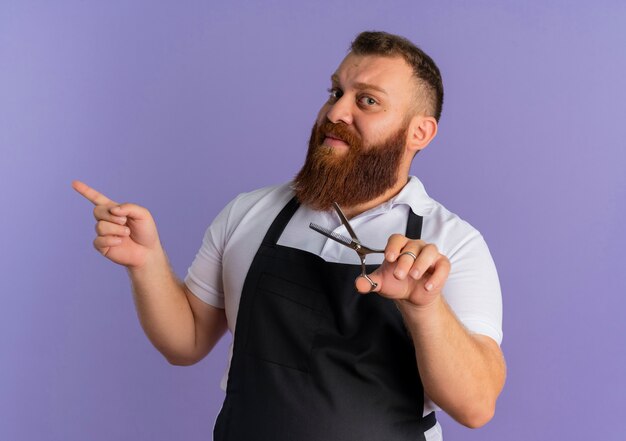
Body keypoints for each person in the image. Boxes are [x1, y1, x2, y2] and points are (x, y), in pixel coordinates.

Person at [73, 31, 505, 441]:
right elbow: (184, 343)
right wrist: (146, 262)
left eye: (368, 101)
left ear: (420, 132)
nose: (336, 112)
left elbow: (476, 406)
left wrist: (425, 307)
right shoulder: (250, 213)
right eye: (336, 92)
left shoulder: (452, 243)